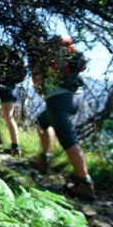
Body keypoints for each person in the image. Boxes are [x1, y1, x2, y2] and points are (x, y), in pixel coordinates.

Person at [27, 32, 95, 200]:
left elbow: (37, 83)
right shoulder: (65, 52)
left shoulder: (40, 56)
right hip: (75, 96)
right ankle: (44, 159)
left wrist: (44, 91)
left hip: (58, 100)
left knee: (68, 140)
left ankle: (84, 183)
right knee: (42, 121)